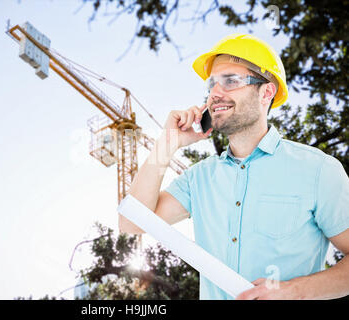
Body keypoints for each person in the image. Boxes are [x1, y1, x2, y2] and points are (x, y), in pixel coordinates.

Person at [119, 34, 349, 300]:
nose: (215, 93)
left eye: (230, 81)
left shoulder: (319, 170)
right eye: (212, 85)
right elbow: (131, 222)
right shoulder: (198, 177)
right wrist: (167, 144)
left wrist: (292, 291)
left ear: (266, 92)